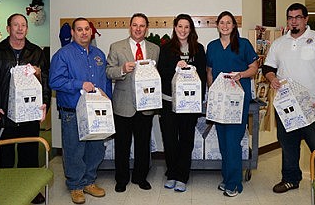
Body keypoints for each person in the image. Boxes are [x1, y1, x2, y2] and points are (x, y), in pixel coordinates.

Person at [262, 3, 315, 193]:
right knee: (288, 146)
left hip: (314, 105)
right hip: (287, 106)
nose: (293, 21)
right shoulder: (279, 43)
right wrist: (272, 79)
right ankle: (290, 179)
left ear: (306, 19)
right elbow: (268, 68)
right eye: (290, 18)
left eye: (297, 17)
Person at [0, 13, 50, 204]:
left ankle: (32, 190)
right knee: (6, 156)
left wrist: (44, 106)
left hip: (29, 114)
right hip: (5, 114)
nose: (20, 29)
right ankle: (7, 191)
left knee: (29, 154)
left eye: (23, 25)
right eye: (16, 25)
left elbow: (44, 83)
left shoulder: (36, 52)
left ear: (27, 29)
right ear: (8, 28)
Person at [49, 17, 112, 204]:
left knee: (96, 148)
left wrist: (108, 100)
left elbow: (106, 81)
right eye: (79, 29)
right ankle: (75, 185)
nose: (84, 32)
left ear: (91, 32)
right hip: (72, 111)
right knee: (74, 149)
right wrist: (79, 84)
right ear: (73, 33)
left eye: (87, 29)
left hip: (97, 110)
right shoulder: (62, 55)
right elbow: (54, 81)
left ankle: (89, 181)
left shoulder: (98, 54)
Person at [206, 11, 259, 197]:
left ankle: (235, 184)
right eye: (222, 22)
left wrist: (241, 74)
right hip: (219, 101)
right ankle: (227, 178)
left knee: (233, 142)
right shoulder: (212, 47)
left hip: (237, 101)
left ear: (234, 26)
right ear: (217, 25)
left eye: (229, 22)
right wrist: (212, 93)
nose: (225, 25)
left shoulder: (243, 44)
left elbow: (254, 68)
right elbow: (210, 72)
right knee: (223, 143)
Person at [106, 13, 160, 193]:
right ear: (130, 27)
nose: (138, 29)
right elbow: (108, 72)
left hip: (146, 105)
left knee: (143, 144)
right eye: (135, 25)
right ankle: (121, 179)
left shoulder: (154, 49)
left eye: (142, 25)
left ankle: (140, 177)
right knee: (122, 145)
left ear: (147, 28)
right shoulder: (116, 47)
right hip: (123, 104)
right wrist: (121, 69)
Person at [157, 14, 207, 192]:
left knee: (186, 140)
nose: (183, 30)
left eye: (187, 27)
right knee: (170, 140)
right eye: (180, 26)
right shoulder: (166, 48)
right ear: (175, 28)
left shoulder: (198, 49)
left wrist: (199, 101)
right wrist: (175, 67)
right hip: (169, 102)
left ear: (191, 29)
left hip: (190, 105)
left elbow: (202, 76)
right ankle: (171, 173)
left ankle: (182, 176)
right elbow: (161, 72)